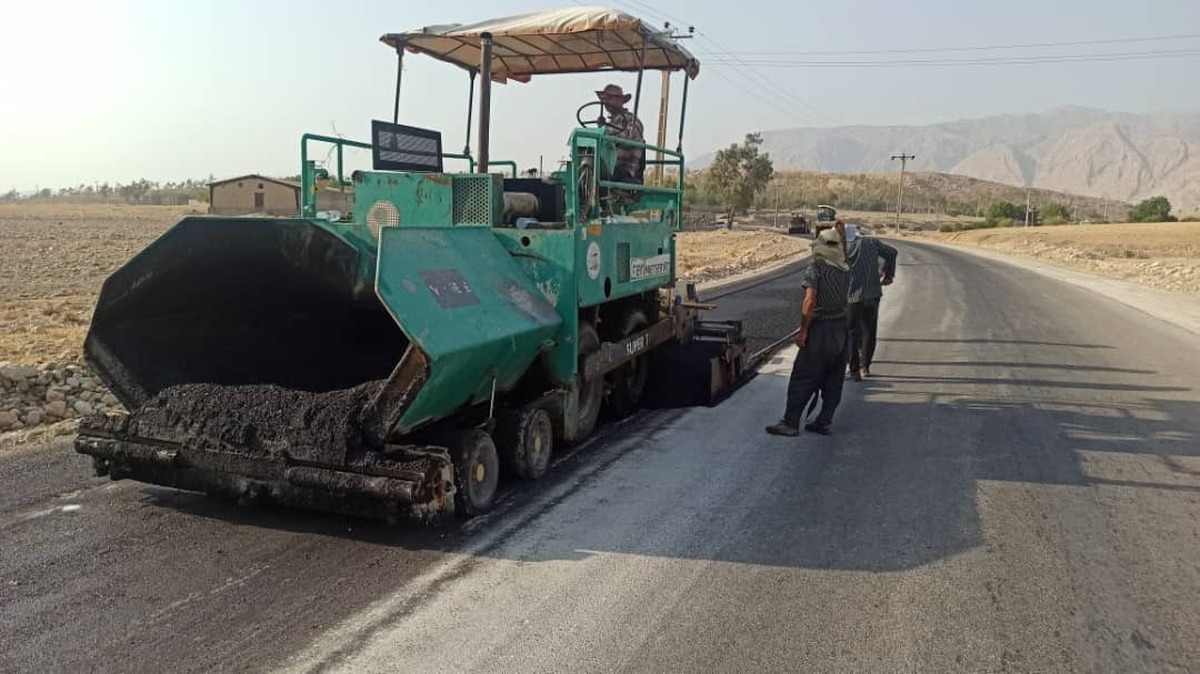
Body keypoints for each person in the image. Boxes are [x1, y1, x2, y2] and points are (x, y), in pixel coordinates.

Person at [765, 227, 853, 437]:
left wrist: (803, 330)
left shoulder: (816, 268)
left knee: (803, 376)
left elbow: (810, 301)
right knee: (834, 377)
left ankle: (790, 422)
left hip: (820, 329)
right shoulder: (846, 269)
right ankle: (824, 421)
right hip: (841, 329)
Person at [844, 224, 898, 380]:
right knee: (869, 330)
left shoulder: (841, 247)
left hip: (851, 296)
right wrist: (889, 275)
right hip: (872, 295)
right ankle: (865, 367)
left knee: (852, 333)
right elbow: (892, 252)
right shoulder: (871, 243)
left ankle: (854, 369)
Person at [595, 84, 645, 184]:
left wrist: (605, 136)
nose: (605, 102)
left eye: (609, 98)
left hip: (623, 169)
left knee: (595, 171)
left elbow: (629, 137)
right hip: (608, 167)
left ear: (620, 100)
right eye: (604, 99)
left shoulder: (632, 120)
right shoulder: (609, 124)